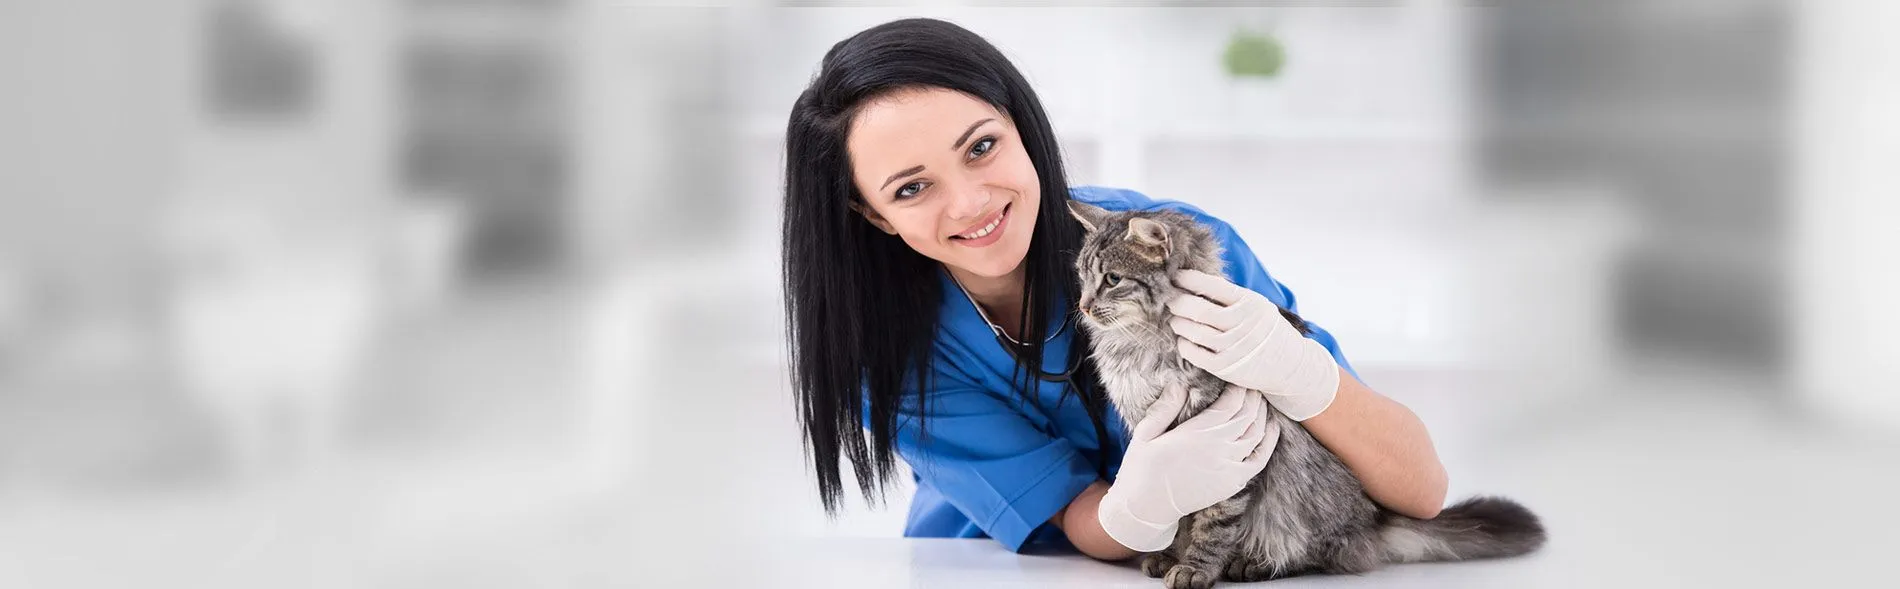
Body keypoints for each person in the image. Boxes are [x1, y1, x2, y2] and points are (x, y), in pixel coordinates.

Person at [781, 18, 1447, 560]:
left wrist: (1306, 378)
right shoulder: (892, 357)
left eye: (981, 147)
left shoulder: (1178, 252)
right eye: (912, 188)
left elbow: (1419, 487)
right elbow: (1080, 522)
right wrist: (1141, 507)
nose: (970, 202)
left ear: (1021, 125)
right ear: (872, 213)